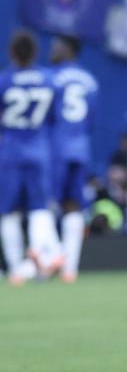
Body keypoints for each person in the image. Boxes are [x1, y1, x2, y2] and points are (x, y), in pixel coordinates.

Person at [0, 31, 63, 285]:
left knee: (8, 211)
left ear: (11, 53)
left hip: (10, 152)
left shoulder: (4, 80)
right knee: (39, 207)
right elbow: (55, 119)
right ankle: (41, 252)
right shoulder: (49, 80)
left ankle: (16, 267)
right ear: (36, 52)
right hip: (39, 151)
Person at [50, 35, 99, 283]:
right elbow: (90, 120)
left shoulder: (51, 78)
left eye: (56, 46)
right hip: (80, 147)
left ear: (68, 49)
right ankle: (70, 268)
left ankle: (49, 258)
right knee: (74, 205)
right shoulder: (90, 81)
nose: (52, 49)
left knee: (46, 204)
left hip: (55, 147)